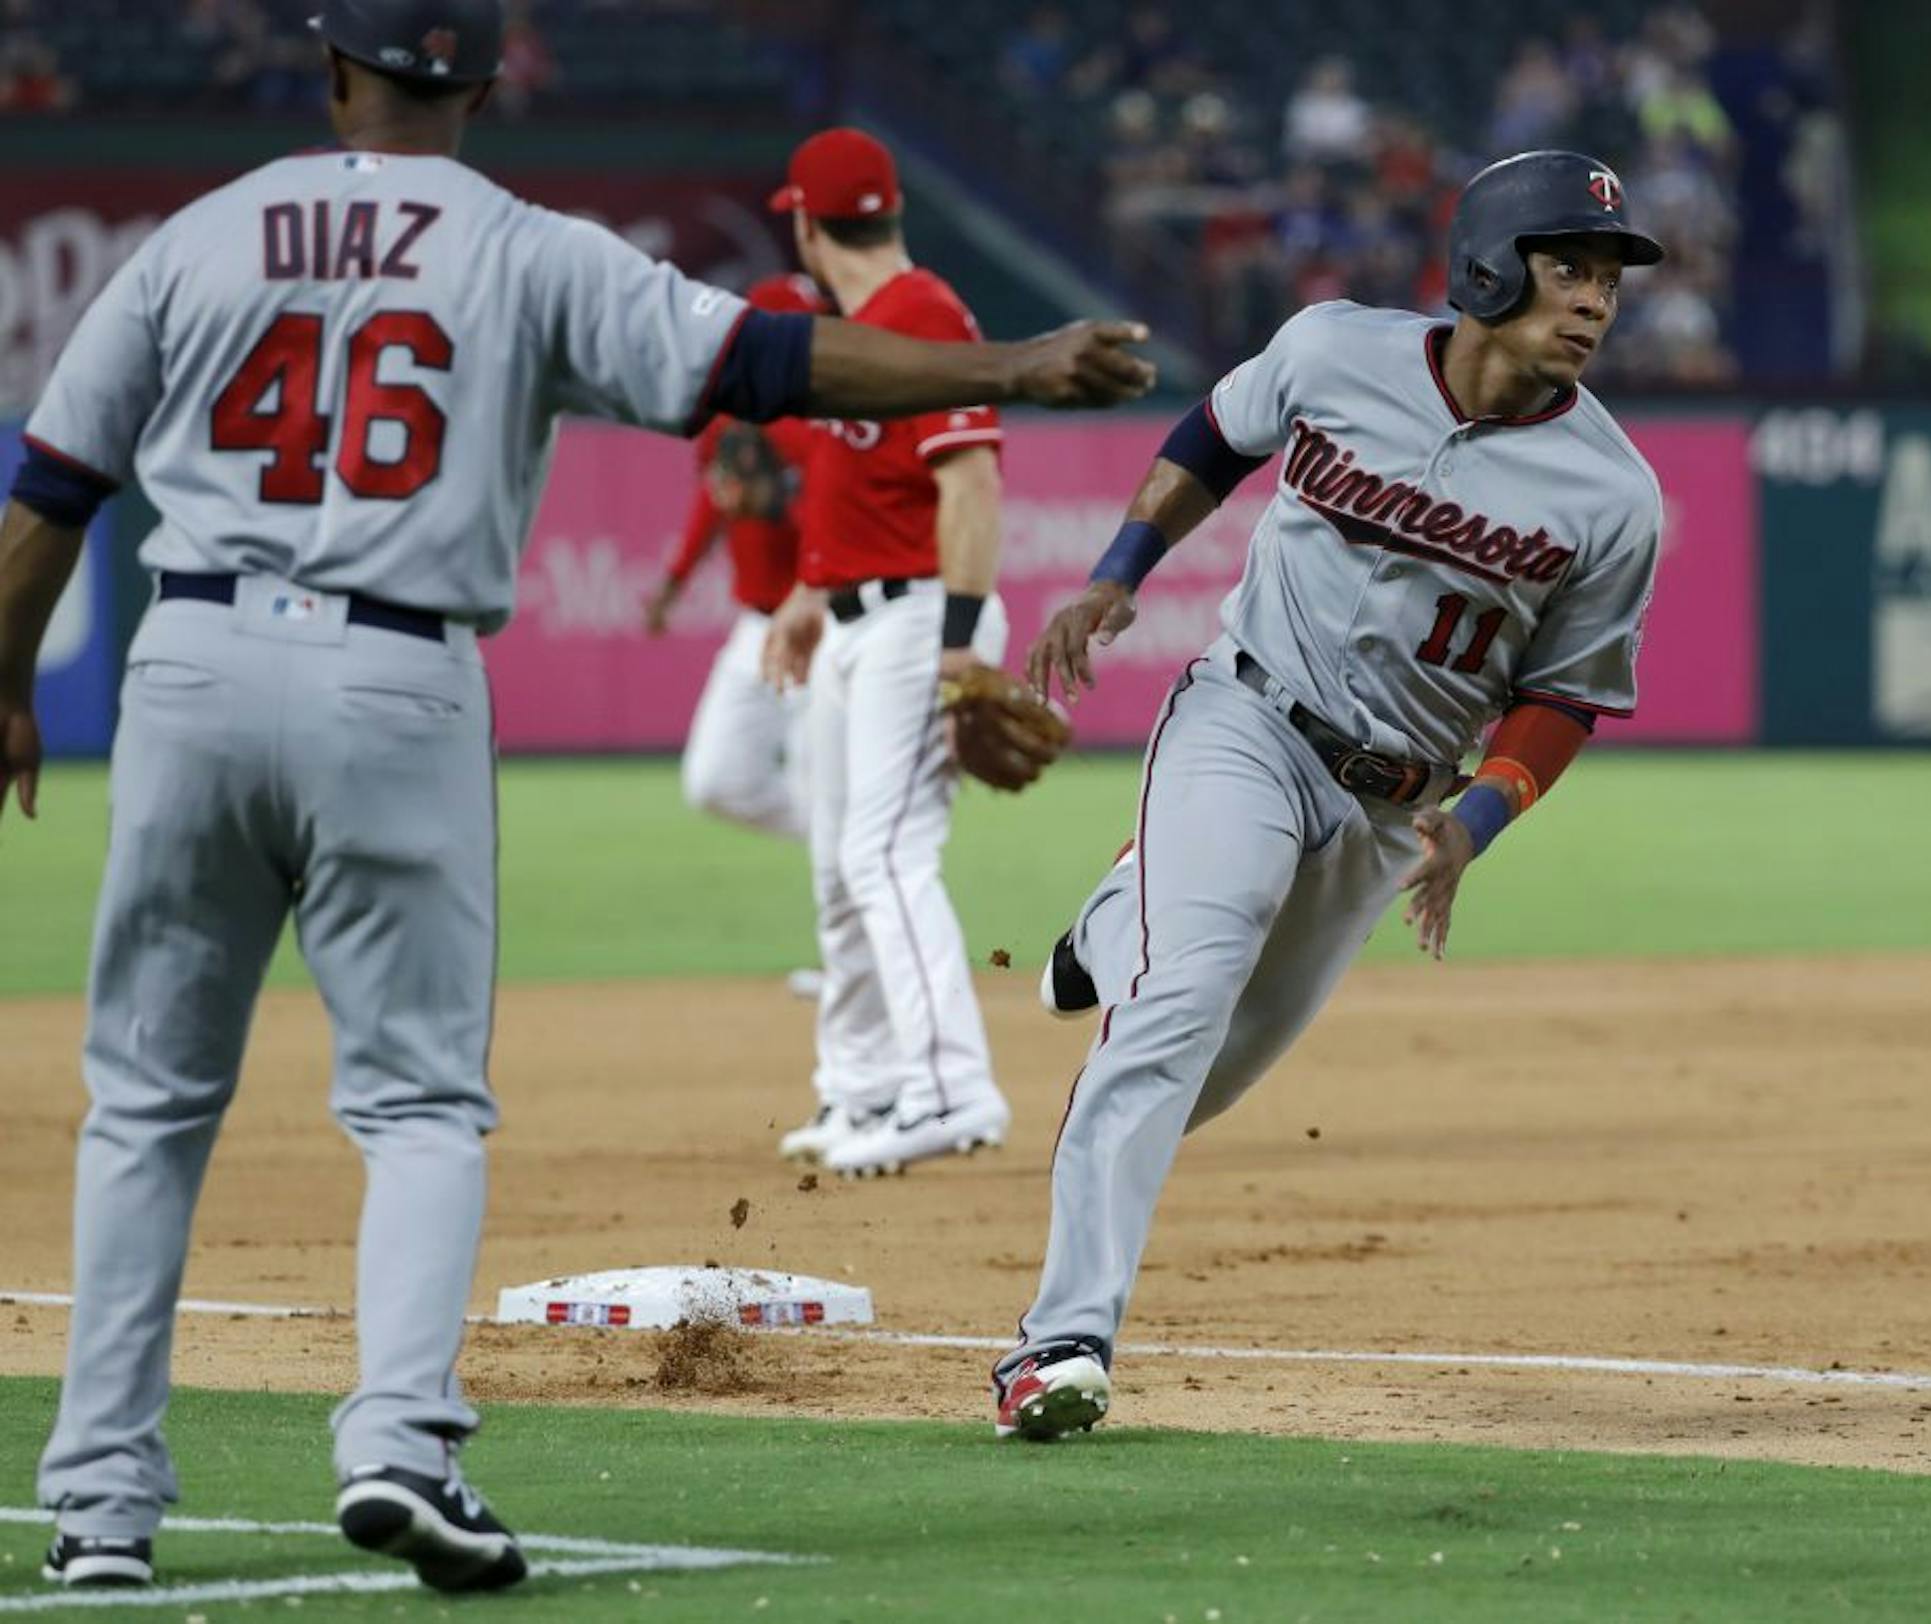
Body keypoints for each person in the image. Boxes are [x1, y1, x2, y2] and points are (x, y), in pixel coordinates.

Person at [0, 1, 1152, 1590]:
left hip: (189, 663)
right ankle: (399, 1446)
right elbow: (766, 359)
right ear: (480, 82)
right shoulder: (522, 245)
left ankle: (102, 1513)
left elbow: (53, 487)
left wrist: (5, 678)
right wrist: (1007, 359)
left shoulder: (201, 233)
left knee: (144, 1107)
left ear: (332, 75)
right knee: (415, 1106)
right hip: (399, 675)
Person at [992, 150, 1664, 1440]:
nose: (1592, 299)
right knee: (1177, 1005)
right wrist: (1119, 571)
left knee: (1214, 1074)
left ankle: (1108, 925)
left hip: (1394, 808)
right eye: (1566, 265)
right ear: (1486, 266)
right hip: (1248, 718)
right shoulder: (1334, 351)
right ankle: (1059, 1343)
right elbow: (1218, 432)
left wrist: (1474, 826)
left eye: (1609, 279)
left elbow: (1569, 694)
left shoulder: (1612, 494)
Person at [758, 129, 1016, 1179]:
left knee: (885, 854)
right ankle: (862, 1088)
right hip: (854, 620)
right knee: (836, 863)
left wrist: (959, 648)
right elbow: (876, 496)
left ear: (809, 226)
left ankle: (954, 1088)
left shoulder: (923, 317)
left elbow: (973, 488)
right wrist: (806, 596)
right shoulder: (858, 325)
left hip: (921, 621)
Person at [645, 272, 828, 845]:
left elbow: (839, 525)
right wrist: (675, 579)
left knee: (821, 779)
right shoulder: (728, 414)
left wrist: (778, 504)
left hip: (827, 621)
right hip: (760, 623)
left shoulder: (825, 421)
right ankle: (845, 842)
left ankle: (852, 851)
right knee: (715, 779)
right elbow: (712, 502)